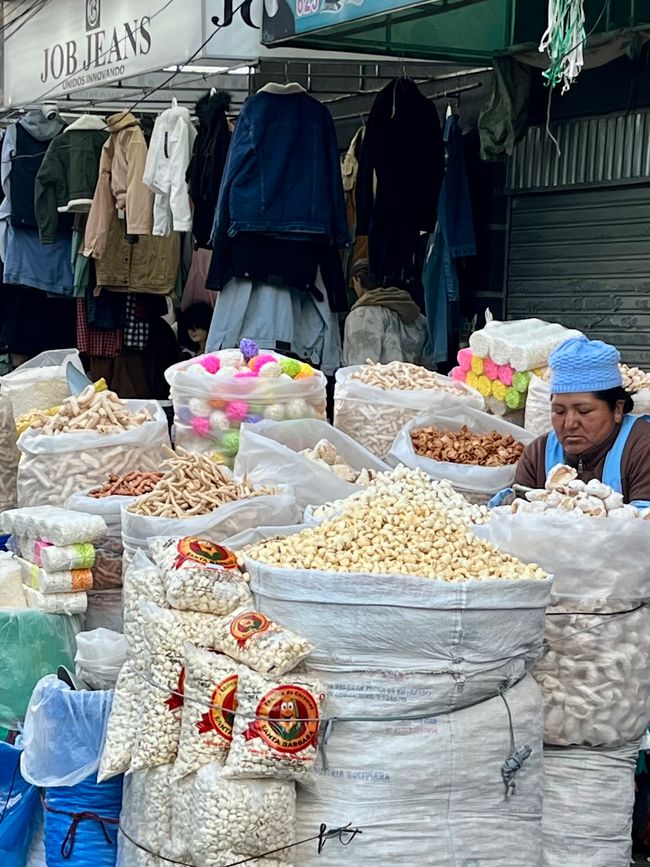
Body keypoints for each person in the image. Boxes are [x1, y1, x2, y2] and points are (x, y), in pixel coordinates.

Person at [514, 336, 650, 506]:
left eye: (584, 411)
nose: (569, 424)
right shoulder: (538, 455)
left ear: (617, 409)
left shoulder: (642, 449)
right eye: (559, 411)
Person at [343, 260, 427, 366]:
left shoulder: (361, 315)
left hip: (377, 381)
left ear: (357, 280)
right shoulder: (416, 315)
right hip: (412, 380)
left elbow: (360, 366)